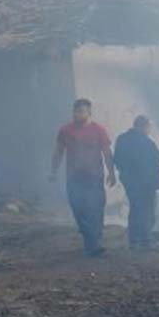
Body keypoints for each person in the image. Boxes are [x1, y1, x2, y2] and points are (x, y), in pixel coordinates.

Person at [50, 99, 115, 256]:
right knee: (79, 210)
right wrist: (53, 171)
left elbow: (106, 152)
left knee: (96, 210)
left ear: (89, 113)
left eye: (81, 111)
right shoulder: (65, 130)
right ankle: (91, 241)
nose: (77, 114)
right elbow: (58, 152)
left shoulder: (99, 130)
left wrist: (111, 172)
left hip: (94, 177)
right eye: (75, 111)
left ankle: (94, 244)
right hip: (74, 178)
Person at [113, 115, 159, 250]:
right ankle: (146, 240)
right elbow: (158, 157)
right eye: (149, 127)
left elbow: (116, 159)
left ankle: (134, 241)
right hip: (146, 182)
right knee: (147, 211)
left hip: (129, 182)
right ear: (144, 126)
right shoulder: (146, 142)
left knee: (135, 209)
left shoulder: (121, 139)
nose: (150, 130)